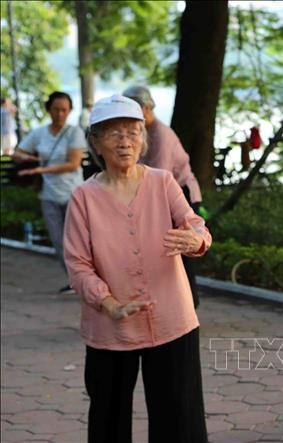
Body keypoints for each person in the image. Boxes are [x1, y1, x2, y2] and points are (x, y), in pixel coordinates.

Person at [63, 94, 210, 442]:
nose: (125, 141)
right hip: (109, 325)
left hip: (172, 319)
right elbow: (77, 264)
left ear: (144, 139)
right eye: (113, 133)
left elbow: (194, 224)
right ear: (95, 142)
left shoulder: (162, 181)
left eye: (133, 132)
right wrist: (109, 303)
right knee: (108, 417)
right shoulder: (83, 197)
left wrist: (197, 240)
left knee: (180, 416)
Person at [122, 86, 204, 308]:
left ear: (146, 108)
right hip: (164, 195)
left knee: (182, 248)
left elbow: (158, 176)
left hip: (181, 195)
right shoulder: (143, 132)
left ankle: (188, 303)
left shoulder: (162, 135)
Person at [13, 91, 86, 294]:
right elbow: (18, 152)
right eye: (56, 109)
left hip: (73, 193)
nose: (60, 114)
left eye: (64, 110)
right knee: (58, 241)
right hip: (49, 195)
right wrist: (27, 158)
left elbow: (73, 164)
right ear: (49, 109)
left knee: (78, 240)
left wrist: (41, 169)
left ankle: (86, 280)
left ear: (70, 111)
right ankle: (74, 280)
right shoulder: (40, 133)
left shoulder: (74, 133)